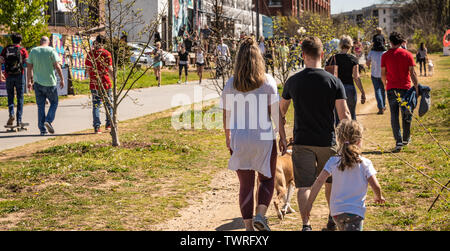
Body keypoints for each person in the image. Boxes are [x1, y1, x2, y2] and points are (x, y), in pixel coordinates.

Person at [280, 36, 352, 231]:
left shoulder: (293, 81)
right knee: (330, 181)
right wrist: (348, 142)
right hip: (326, 141)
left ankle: (306, 225)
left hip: (302, 141)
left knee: (304, 186)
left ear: (303, 55)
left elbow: (281, 110)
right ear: (322, 55)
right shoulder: (334, 82)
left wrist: (281, 133)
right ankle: (331, 218)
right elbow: (344, 114)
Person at [221, 37, 287, 231]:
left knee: (246, 185)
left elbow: (226, 115)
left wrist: (228, 138)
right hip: (264, 138)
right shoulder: (268, 82)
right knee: (267, 179)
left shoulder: (231, 84)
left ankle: (249, 228)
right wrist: (282, 137)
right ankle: (260, 215)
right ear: (259, 58)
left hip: (240, 139)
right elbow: (276, 114)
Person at [304, 119, 385, 231]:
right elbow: (375, 185)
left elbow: (319, 181)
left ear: (338, 140)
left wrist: (309, 204)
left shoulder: (332, 161)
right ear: (359, 141)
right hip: (355, 212)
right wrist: (378, 196)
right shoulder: (365, 163)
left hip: (336, 212)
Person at [381, 32, 419, 152]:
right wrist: (417, 87)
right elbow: (412, 73)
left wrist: (385, 84)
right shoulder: (408, 54)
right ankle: (406, 139)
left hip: (391, 88)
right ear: (402, 41)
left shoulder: (385, 55)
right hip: (405, 89)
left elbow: (383, 74)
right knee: (406, 114)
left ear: (390, 42)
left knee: (394, 115)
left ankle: (398, 141)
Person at [26, 36, 64, 135]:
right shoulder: (51, 50)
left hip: (38, 83)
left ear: (40, 41)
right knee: (54, 103)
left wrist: (29, 81)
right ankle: (48, 120)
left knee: (41, 106)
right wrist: (62, 79)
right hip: (50, 83)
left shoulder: (33, 51)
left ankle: (42, 130)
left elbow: (29, 67)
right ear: (49, 42)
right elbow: (57, 66)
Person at [326, 35, 366, 121]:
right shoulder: (353, 59)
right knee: (352, 115)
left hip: (337, 90)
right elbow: (356, 77)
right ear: (350, 45)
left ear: (340, 44)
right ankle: (352, 133)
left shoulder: (333, 58)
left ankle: (339, 134)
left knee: (338, 117)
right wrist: (362, 91)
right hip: (350, 88)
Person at [85, 35, 114, 134]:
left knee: (96, 105)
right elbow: (109, 69)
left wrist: (92, 77)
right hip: (105, 82)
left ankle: (97, 127)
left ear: (96, 41)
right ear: (104, 43)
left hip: (94, 83)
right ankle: (109, 124)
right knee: (108, 104)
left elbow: (88, 70)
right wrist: (114, 78)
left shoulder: (90, 54)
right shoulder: (107, 54)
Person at [0, 33, 29, 127]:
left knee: (10, 96)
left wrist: (1, 73)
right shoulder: (23, 50)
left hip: (8, 75)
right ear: (20, 41)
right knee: (20, 97)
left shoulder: (6, 49)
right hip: (19, 76)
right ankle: (19, 120)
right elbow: (27, 63)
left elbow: (0, 60)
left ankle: (11, 114)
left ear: (12, 40)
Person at [367, 37, 387, 115]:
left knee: (377, 90)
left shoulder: (372, 52)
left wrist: (368, 65)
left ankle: (380, 107)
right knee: (383, 90)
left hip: (374, 74)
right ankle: (384, 105)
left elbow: (368, 62)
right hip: (383, 74)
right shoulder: (385, 52)